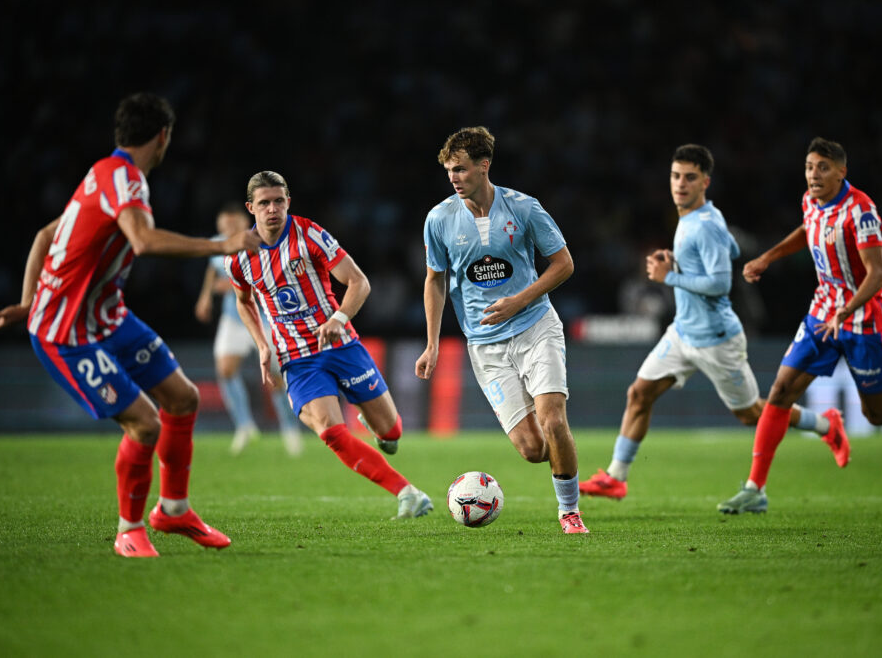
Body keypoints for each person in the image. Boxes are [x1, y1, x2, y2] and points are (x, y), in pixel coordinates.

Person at [0, 92, 261, 557]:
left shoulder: (101, 174)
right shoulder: (125, 180)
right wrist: (223, 246)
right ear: (163, 137)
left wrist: (27, 299)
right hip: (65, 331)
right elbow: (143, 241)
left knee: (183, 398)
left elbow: (45, 236)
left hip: (107, 317)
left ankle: (173, 509)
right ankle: (129, 530)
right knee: (146, 424)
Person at [718, 137, 882, 514]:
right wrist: (768, 258)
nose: (814, 175)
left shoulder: (862, 211)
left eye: (823, 167)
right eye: (809, 167)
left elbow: (877, 275)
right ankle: (755, 488)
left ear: (842, 171)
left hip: (864, 319)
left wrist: (848, 308)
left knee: (879, 414)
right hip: (823, 313)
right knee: (780, 391)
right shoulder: (810, 201)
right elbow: (809, 230)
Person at [579, 144, 848, 502]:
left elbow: (720, 284)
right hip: (683, 332)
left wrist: (668, 278)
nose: (681, 184)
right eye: (676, 176)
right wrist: (680, 263)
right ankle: (616, 476)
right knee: (639, 393)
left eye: (690, 177)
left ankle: (828, 425)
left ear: (705, 181)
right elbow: (732, 252)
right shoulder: (694, 219)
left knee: (752, 414)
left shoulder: (704, 225)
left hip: (717, 339)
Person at [226, 170, 433, 519]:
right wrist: (262, 345)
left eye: (279, 201)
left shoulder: (309, 234)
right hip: (297, 358)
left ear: (288, 201)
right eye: (264, 203)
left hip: (341, 345)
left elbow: (359, 282)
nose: (273, 209)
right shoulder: (239, 256)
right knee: (331, 431)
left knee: (391, 431)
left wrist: (338, 319)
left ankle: (379, 427)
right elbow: (243, 301)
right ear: (251, 207)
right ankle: (407, 493)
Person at [416, 126, 588, 534]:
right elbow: (435, 280)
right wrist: (432, 344)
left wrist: (519, 300)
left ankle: (569, 511)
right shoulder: (439, 219)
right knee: (532, 449)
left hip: (535, 328)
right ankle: (565, 454)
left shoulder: (524, 208)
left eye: (460, 169)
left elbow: (564, 264)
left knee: (554, 420)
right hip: (485, 347)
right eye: (449, 171)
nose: (454, 178)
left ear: (484, 166)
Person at [195, 203, 304, 457]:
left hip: (265, 319)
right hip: (233, 320)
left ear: (246, 222)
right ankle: (245, 427)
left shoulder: (260, 244)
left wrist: (236, 288)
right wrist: (204, 298)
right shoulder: (219, 244)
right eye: (224, 225)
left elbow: (271, 282)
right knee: (225, 369)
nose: (228, 229)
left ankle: (289, 429)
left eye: (233, 224)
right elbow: (213, 270)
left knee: (275, 378)